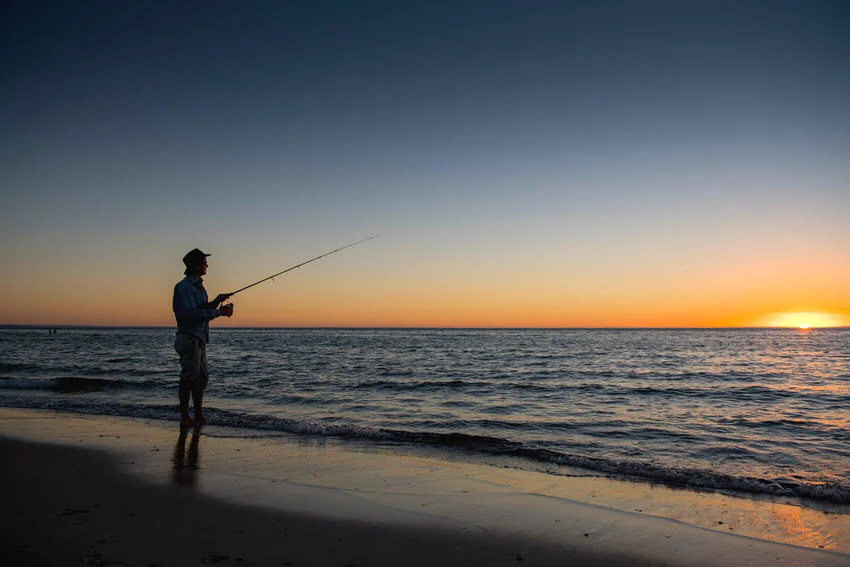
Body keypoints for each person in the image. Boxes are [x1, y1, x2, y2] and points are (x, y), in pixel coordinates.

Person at [173, 248, 234, 427]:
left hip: (199, 338)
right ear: (195, 265)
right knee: (189, 377)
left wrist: (216, 301)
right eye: (204, 262)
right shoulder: (183, 287)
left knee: (201, 378)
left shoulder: (199, 286)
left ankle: (198, 413)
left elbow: (201, 308)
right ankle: (185, 415)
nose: (207, 264)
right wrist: (219, 312)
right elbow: (192, 314)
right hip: (188, 338)